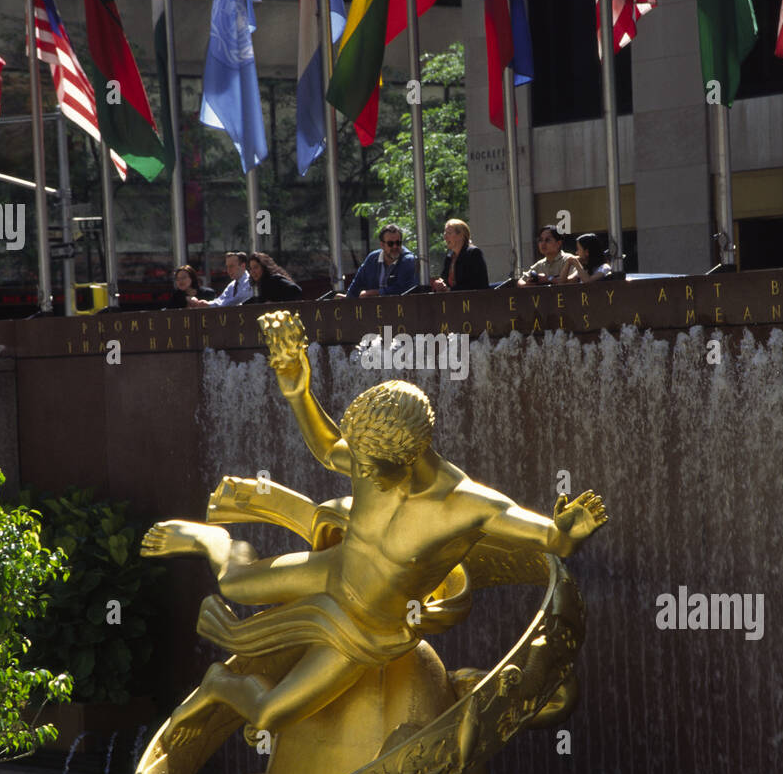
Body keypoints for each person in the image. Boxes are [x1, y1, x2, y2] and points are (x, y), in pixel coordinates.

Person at [141, 309, 607, 747]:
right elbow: (327, 449)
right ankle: (211, 537)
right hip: (331, 569)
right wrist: (298, 392)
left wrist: (568, 532)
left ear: (407, 459)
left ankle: (220, 684)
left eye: (365, 465)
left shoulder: (466, 506)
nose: (355, 471)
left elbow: (550, 540)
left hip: (367, 629)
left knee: (267, 715)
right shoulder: (375, 460)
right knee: (232, 582)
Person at [344, 224, 416, 298]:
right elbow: (357, 283)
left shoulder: (408, 260)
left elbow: (402, 289)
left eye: (398, 243)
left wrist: (374, 293)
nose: (395, 246)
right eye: (390, 243)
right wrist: (347, 299)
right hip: (375, 307)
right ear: (382, 245)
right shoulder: (372, 258)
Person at [431, 219, 489, 292]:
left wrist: (449, 290)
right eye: (445, 233)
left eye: (449, 233)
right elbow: (444, 279)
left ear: (461, 235)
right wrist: (440, 284)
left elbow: (476, 284)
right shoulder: (449, 256)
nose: (445, 237)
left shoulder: (473, 253)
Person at [189, 251, 253, 308]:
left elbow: (237, 300)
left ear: (243, 266)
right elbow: (221, 299)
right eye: (227, 267)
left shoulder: (250, 281)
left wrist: (210, 305)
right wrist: (207, 304)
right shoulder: (232, 285)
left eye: (231, 266)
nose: (228, 270)